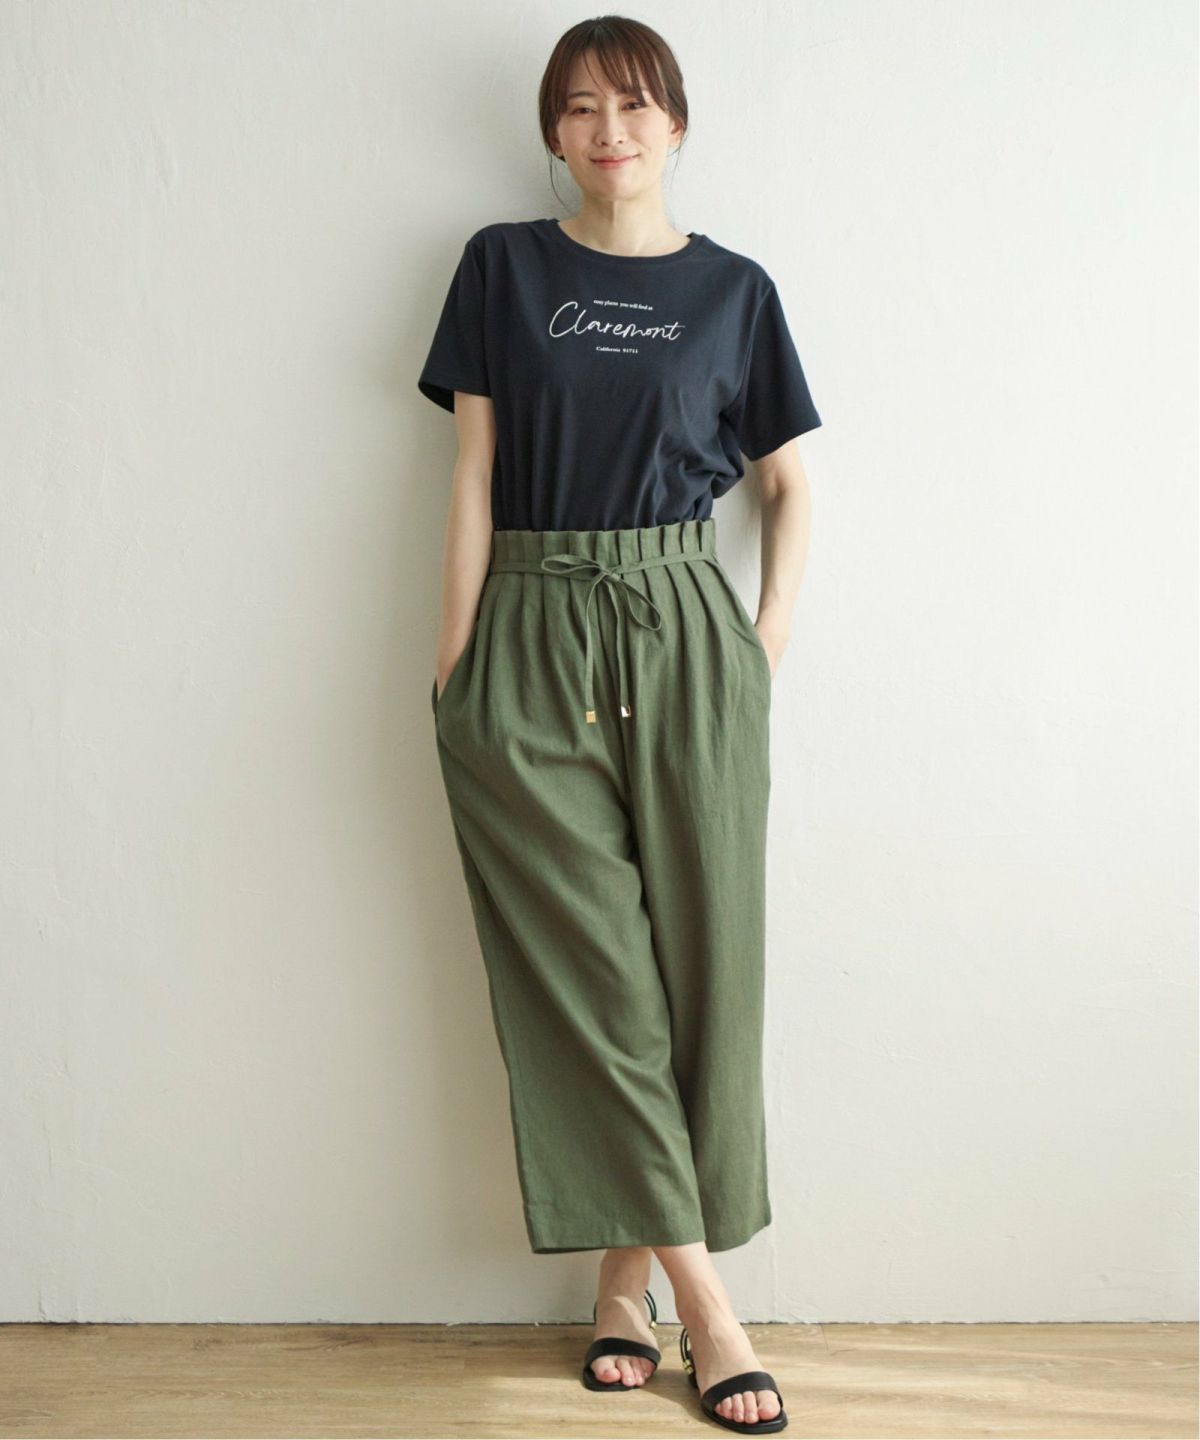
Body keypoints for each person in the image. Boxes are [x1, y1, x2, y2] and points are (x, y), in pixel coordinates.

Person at [417, 15, 821, 1435]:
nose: (610, 130)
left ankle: (619, 1291)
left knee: (702, 974)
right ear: (553, 131)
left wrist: (758, 653)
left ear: (678, 125)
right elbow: (473, 475)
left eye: (637, 104)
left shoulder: (735, 291)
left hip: (688, 628)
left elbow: (789, 488)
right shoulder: (501, 267)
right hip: (531, 626)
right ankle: (712, 1311)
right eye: (581, 107)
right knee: (597, 980)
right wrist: (455, 663)